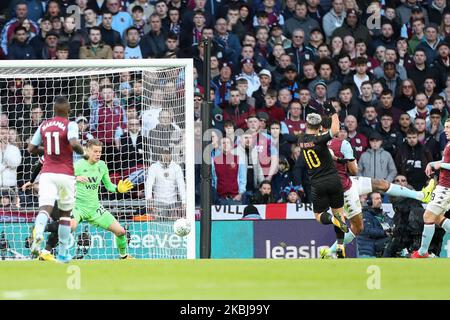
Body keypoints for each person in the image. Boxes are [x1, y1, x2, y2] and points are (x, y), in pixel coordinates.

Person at [27, 96, 88, 263]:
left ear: (54, 110)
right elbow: (74, 144)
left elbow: (30, 148)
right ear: (68, 110)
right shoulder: (71, 124)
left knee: (45, 209)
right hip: (66, 174)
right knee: (65, 216)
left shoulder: (44, 124)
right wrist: (85, 153)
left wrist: (46, 151)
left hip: (47, 174)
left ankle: (38, 233)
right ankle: (62, 253)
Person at [297, 102, 348, 257]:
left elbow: (325, 152)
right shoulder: (320, 139)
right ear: (319, 127)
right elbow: (335, 130)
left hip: (318, 183)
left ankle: (333, 219)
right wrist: (333, 112)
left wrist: (336, 160)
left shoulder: (301, 139)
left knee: (319, 215)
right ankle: (340, 247)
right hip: (334, 180)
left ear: (306, 124)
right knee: (340, 214)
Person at [413, 118, 450, 258]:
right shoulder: (448, 144)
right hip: (444, 186)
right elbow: (446, 162)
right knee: (438, 217)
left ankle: (422, 252)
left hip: (447, 188)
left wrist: (439, 166)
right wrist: (433, 163)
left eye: (448, 127)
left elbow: (447, 165)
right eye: (445, 127)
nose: (445, 130)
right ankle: (423, 252)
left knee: (428, 216)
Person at [145, 147, 186, 218]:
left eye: (168, 154)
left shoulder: (176, 167)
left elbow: (181, 185)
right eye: (164, 154)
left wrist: (184, 201)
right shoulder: (154, 167)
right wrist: (149, 199)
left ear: (171, 154)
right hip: (158, 204)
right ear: (160, 155)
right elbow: (149, 184)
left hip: (173, 203)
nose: (166, 156)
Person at [357, 192, 394, 258]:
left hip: (379, 245)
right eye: (377, 199)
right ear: (369, 201)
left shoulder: (382, 214)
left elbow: (391, 224)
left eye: (380, 199)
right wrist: (385, 233)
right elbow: (368, 230)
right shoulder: (364, 214)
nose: (380, 201)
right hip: (368, 249)